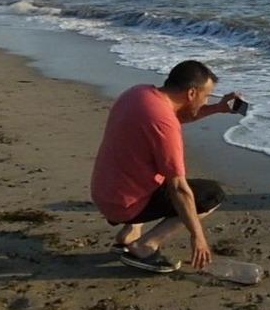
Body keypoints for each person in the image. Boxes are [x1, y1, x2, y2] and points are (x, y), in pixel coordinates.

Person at [91, 60, 242, 273]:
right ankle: (145, 245)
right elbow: (178, 188)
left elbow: (177, 114)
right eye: (206, 96)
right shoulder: (165, 124)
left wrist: (217, 108)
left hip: (105, 191)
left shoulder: (139, 94)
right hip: (124, 204)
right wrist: (197, 236)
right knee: (211, 194)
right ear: (191, 93)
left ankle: (129, 234)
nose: (206, 100)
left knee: (146, 163)